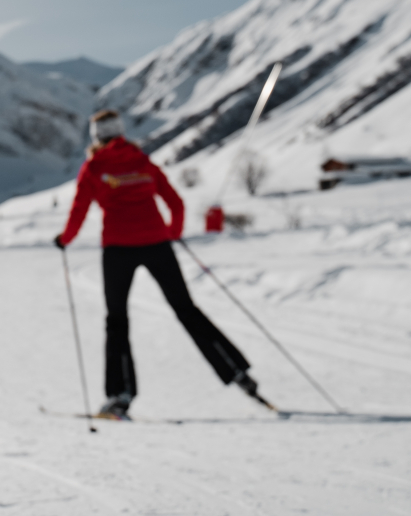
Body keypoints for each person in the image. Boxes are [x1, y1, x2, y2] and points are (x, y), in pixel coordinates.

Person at [55, 110, 260, 419]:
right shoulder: (142, 161)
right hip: (157, 245)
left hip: (118, 248)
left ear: (96, 136)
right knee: (186, 309)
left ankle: (120, 396)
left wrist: (65, 239)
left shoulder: (94, 167)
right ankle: (237, 372)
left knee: (117, 321)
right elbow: (175, 202)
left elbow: (79, 209)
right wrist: (171, 234)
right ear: (121, 133)